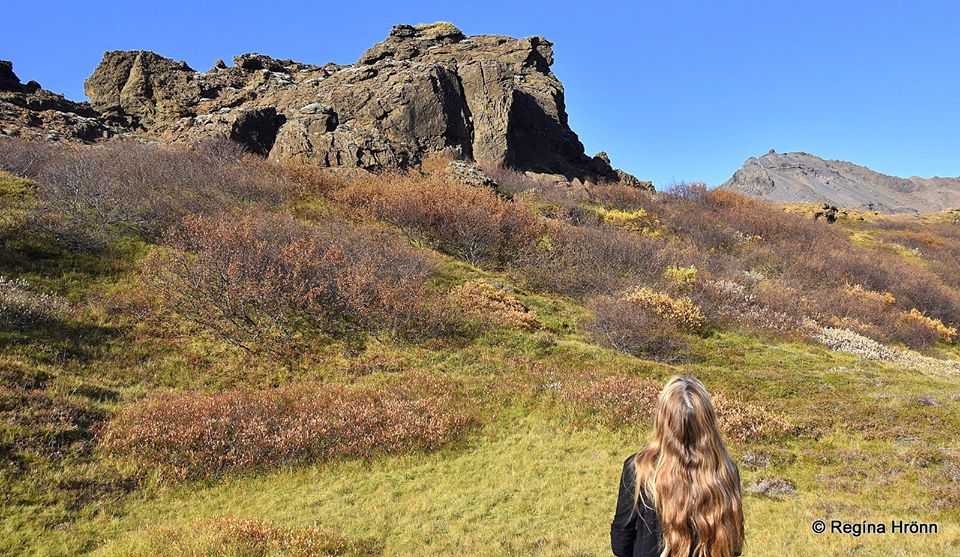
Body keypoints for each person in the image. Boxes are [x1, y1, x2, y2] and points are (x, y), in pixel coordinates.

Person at [610, 375, 744, 557]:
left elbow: (620, 544)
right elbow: (734, 546)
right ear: (708, 422)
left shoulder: (639, 469)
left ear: (662, 419)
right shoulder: (725, 471)